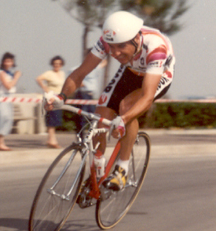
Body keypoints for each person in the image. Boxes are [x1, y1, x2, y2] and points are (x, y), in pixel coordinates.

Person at [45, 11, 174, 191]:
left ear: (136, 39)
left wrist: (124, 119)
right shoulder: (107, 39)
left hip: (158, 75)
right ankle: (98, 167)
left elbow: (147, 97)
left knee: (126, 107)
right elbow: (81, 72)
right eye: (112, 47)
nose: (114, 52)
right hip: (130, 69)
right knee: (101, 116)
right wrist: (61, 96)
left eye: (121, 46)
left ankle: (122, 168)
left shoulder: (156, 48)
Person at [0, 52, 21, 151]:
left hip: (8, 97)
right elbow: (8, 86)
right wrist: (17, 77)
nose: (8, 63)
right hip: (1, 97)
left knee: (7, 119)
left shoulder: (9, 73)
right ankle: (0, 142)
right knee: (3, 118)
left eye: (10, 61)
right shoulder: (1, 72)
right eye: (7, 61)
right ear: (3, 62)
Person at [36, 56, 66, 148]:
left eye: (59, 64)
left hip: (58, 98)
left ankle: (50, 140)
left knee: (56, 119)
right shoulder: (49, 73)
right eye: (55, 63)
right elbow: (38, 79)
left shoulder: (62, 73)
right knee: (51, 120)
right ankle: (52, 141)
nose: (57, 65)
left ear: (61, 65)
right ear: (52, 64)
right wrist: (46, 89)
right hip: (51, 98)